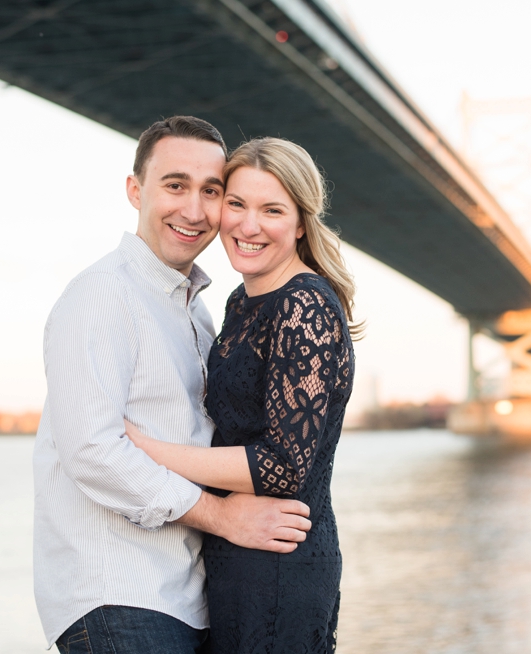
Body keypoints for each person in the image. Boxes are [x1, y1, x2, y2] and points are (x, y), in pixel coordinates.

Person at [33, 118, 313, 654]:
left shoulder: (199, 310)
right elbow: (91, 450)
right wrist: (222, 516)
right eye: (175, 185)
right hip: (116, 594)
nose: (193, 210)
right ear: (136, 190)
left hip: (185, 598)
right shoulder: (102, 295)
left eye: (211, 191)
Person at [124, 137, 360, 653]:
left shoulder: (304, 306)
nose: (247, 226)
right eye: (236, 204)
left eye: (271, 210)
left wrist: (147, 451)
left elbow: (284, 465)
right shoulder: (241, 301)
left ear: (300, 222)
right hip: (234, 556)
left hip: (279, 560)